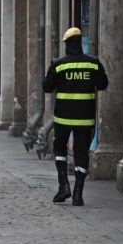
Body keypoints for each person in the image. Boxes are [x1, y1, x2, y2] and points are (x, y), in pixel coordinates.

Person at [43, 27, 108, 206]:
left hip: (62, 117)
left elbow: (47, 87)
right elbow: (103, 85)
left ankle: (63, 186)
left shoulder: (58, 64)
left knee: (60, 149)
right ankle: (78, 193)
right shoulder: (93, 63)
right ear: (80, 43)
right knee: (81, 153)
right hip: (85, 117)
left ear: (66, 44)